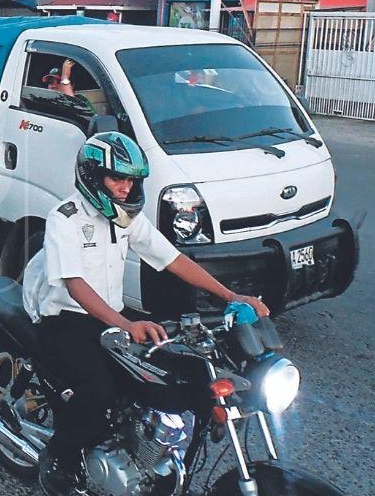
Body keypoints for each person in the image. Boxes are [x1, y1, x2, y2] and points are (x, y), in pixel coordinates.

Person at [23, 132, 270, 496]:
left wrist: (231, 295)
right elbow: (75, 285)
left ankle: (156, 458)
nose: (125, 188)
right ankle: (59, 458)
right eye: (116, 178)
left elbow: (172, 259)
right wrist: (126, 324)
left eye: (131, 180)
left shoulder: (126, 217)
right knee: (99, 392)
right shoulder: (66, 218)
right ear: (92, 176)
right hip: (67, 319)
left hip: (111, 316)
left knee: (177, 373)